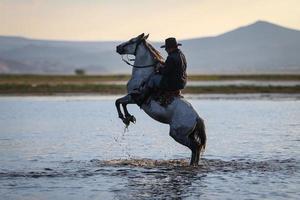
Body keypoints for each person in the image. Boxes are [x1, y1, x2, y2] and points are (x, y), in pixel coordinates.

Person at [134, 37, 187, 105]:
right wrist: (164, 65)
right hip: (182, 82)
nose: (165, 50)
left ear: (171, 48)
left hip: (172, 83)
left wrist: (159, 68)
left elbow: (165, 72)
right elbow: (175, 68)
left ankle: (143, 98)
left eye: (166, 48)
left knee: (153, 78)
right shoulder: (181, 55)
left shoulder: (171, 57)